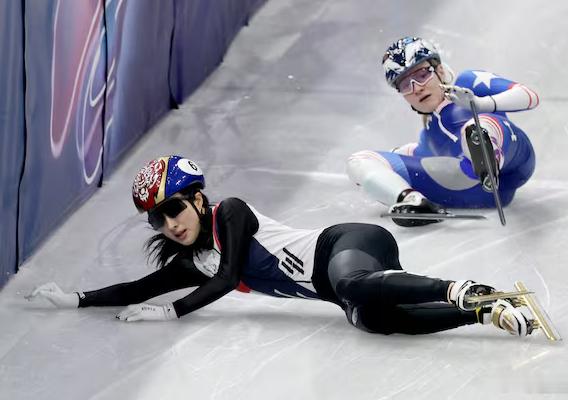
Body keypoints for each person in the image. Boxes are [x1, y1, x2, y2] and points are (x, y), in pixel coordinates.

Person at [27, 155, 535, 337]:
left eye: (173, 209)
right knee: (373, 318)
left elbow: (228, 277)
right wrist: (76, 299)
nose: (169, 224)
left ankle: (461, 289)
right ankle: (488, 312)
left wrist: (173, 313)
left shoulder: (231, 212)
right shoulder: (193, 261)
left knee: (354, 287)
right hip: (336, 287)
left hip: (346, 244)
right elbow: (139, 287)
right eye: (156, 219)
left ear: (198, 199)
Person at [346, 36, 539, 227]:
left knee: (476, 126)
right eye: (405, 85)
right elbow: (403, 158)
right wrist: (382, 173)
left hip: (513, 163)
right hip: (470, 189)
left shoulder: (467, 83)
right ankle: (412, 201)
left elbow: (530, 96)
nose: (417, 88)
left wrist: (481, 104)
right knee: (360, 160)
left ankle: (488, 160)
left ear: (439, 70)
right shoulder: (428, 137)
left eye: (422, 75)